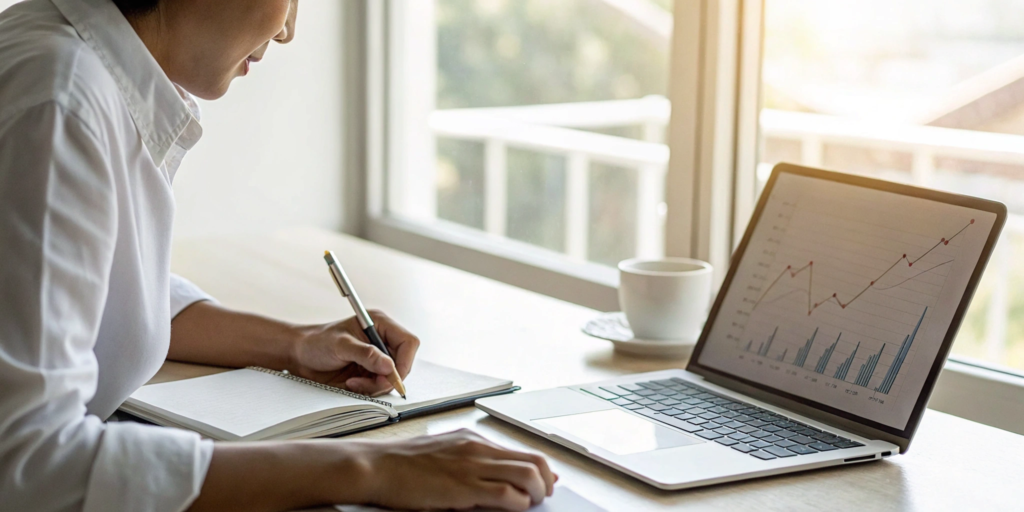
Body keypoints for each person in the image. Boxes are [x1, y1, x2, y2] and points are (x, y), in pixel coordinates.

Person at [0, 0, 555, 510]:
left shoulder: (70, 63)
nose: (289, 30)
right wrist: (370, 467)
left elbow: (100, 292)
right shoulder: (60, 99)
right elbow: (30, 465)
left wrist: (295, 345)